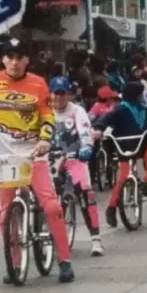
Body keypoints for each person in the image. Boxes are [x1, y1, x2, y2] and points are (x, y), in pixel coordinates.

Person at [0, 37, 75, 283]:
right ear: (3, 59)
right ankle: (14, 264)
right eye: (10, 57)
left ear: (27, 60)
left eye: (20, 57)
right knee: (5, 215)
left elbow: (47, 116)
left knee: (52, 207)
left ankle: (64, 261)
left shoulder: (38, 84)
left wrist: (45, 139)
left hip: (34, 155)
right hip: (4, 158)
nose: (15, 62)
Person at [92, 81, 147, 225]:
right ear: (135, 95)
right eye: (140, 94)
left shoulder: (146, 111)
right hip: (124, 147)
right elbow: (106, 118)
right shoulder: (120, 109)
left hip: (143, 145)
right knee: (123, 176)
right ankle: (112, 207)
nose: (142, 97)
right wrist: (99, 129)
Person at [49, 76, 104, 256]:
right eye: (55, 93)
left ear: (68, 94)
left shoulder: (77, 111)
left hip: (75, 158)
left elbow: (85, 131)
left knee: (86, 193)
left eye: (62, 93)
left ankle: (95, 239)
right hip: (50, 159)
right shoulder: (44, 111)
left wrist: (86, 147)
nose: (59, 97)